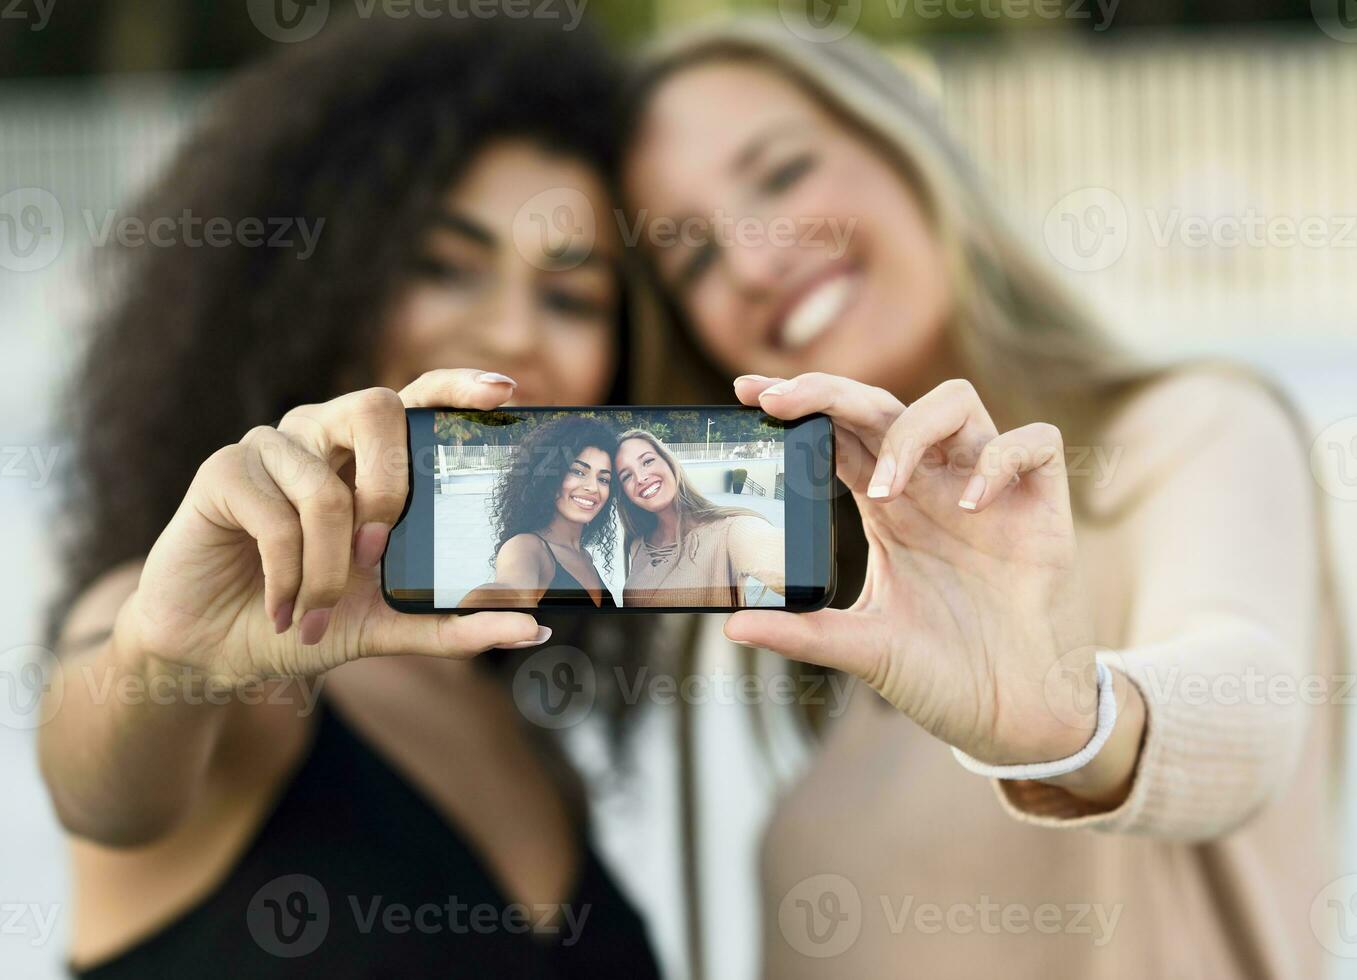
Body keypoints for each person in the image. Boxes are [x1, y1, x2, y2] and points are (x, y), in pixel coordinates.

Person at [620, 19, 1341, 978]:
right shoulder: (828, 636)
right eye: (694, 258)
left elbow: (1246, 705)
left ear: (904, 152)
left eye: (783, 173)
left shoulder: (1184, 430)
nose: (753, 263)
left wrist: (1068, 720)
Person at [38, 11, 660, 979]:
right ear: (316, 287)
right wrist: (171, 664)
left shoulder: (523, 733)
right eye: (443, 266)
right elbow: (104, 787)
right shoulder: (205, 621)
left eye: (570, 297)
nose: (511, 330)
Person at [460, 416, 621, 609]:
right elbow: (511, 591)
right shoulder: (527, 547)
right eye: (578, 472)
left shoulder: (584, 556)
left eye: (603, 479)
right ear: (550, 475)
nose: (593, 487)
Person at [614, 428, 784, 608]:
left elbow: (797, 564)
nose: (640, 478)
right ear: (624, 494)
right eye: (626, 476)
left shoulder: (731, 532)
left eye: (647, 461)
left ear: (669, 462)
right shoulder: (637, 545)